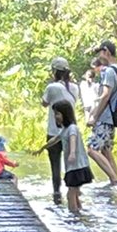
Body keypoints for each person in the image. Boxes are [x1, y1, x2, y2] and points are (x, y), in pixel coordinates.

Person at [88, 40, 117, 191]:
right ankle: (114, 186)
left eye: (100, 52)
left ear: (106, 52)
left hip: (104, 117)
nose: (99, 56)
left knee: (91, 149)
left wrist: (94, 116)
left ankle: (115, 180)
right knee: (106, 150)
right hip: (111, 117)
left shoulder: (110, 71)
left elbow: (105, 95)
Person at [50, 98, 92, 215]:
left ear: (65, 114)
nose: (55, 117)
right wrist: (42, 148)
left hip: (76, 166)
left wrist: (72, 153)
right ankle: (78, 211)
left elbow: (73, 139)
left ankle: (73, 215)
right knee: (74, 192)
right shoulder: (65, 129)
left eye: (57, 114)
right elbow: (55, 139)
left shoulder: (72, 128)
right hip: (75, 166)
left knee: (70, 194)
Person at [41, 59, 75, 201]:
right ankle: (72, 193)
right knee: (70, 165)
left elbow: (44, 103)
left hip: (54, 132)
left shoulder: (52, 87)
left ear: (54, 71)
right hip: (70, 132)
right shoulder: (74, 87)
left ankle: (56, 193)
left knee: (55, 165)